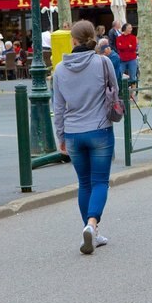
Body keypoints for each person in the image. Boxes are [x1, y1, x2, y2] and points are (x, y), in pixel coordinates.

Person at [52, 20, 117, 255]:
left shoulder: (60, 69)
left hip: (73, 131)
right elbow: (115, 92)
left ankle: (91, 230)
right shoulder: (103, 62)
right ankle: (91, 224)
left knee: (85, 183)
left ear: (73, 40)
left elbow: (58, 107)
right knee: (100, 181)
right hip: (100, 127)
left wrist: (60, 135)